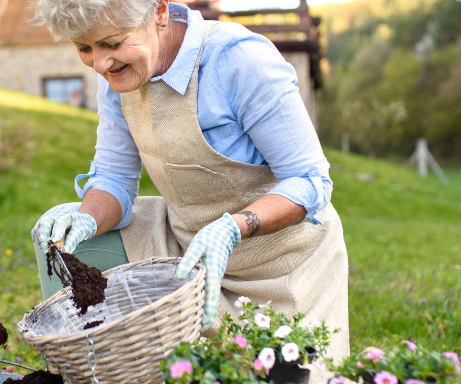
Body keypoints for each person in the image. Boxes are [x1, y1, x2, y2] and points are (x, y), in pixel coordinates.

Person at [29, 0, 349, 381]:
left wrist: (233, 227)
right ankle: (98, 371)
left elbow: (310, 179)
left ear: (159, 12)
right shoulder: (117, 73)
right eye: (84, 48)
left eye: (112, 44)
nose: (100, 64)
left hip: (280, 265)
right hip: (186, 251)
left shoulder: (238, 60)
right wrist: (85, 219)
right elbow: (114, 180)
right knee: (59, 234)